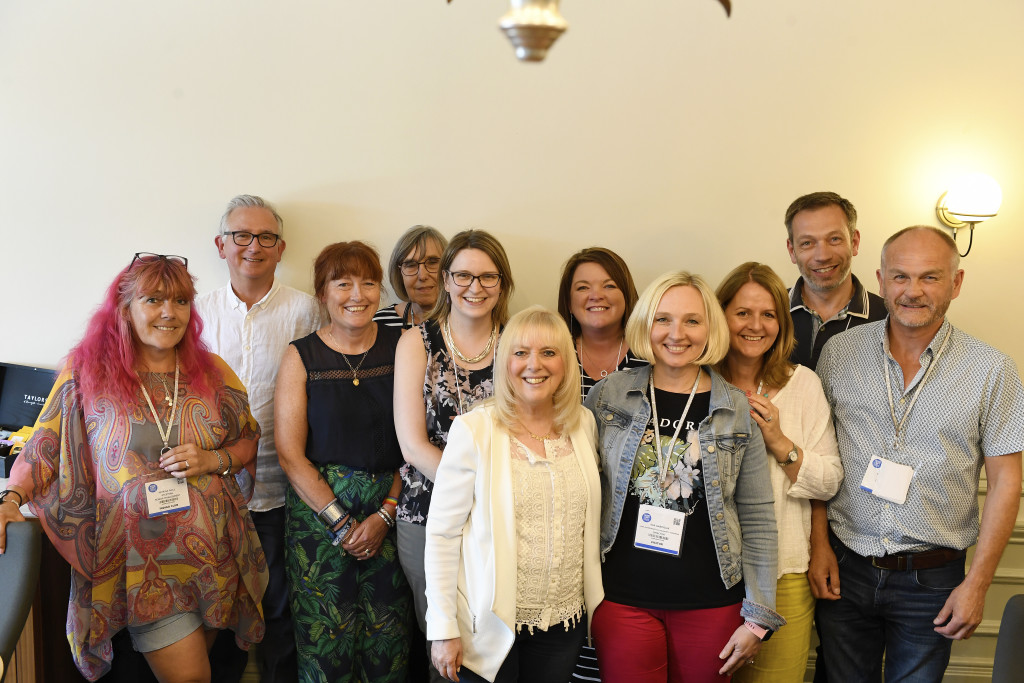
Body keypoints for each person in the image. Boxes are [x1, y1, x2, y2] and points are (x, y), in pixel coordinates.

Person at [0, 253, 266, 682]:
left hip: (215, 556)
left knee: (211, 667)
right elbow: (45, 444)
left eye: (181, 301)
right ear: (125, 308)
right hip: (144, 566)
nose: (169, 312)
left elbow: (247, 439)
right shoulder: (87, 373)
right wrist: (10, 498)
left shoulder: (213, 373)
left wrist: (212, 459)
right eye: (154, 299)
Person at [812, 227, 1024, 682]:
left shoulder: (992, 370)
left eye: (929, 277)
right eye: (900, 277)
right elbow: (819, 458)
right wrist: (818, 548)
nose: (912, 291)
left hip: (933, 579)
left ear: (956, 282)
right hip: (845, 565)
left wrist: (978, 583)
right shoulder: (839, 353)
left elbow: (1007, 482)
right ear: (881, 280)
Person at [584, 271, 784, 682]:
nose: (677, 333)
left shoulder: (734, 407)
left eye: (692, 320)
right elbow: (581, 494)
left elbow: (759, 517)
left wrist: (758, 618)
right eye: (663, 319)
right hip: (621, 599)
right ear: (645, 325)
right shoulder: (608, 395)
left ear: (710, 327)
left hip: (712, 601)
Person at [424, 307, 603, 683]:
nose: (533, 365)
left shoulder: (583, 424)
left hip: (563, 624)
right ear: (504, 361)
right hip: (487, 626)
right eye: (520, 353)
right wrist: (442, 626)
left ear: (567, 364)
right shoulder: (475, 430)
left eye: (549, 353)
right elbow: (442, 535)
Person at [274, 241, 412, 683]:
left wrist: (384, 516)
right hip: (317, 522)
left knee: (387, 645)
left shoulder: (405, 347)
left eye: (369, 282)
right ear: (322, 293)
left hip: (394, 512)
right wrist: (341, 524)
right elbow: (290, 455)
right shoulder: (301, 356)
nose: (358, 294)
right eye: (343, 282)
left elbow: (417, 442)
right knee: (324, 646)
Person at [197, 194, 319, 683]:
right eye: (241, 236)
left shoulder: (305, 312)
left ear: (281, 247)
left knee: (280, 614)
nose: (253, 246)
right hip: (210, 496)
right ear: (221, 245)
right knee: (218, 616)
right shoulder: (194, 314)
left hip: (281, 492)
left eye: (265, 237)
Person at [394, 229, 515, 682]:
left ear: (502, 284)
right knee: (445, 647)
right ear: (446, 280)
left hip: (503, 517)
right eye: (463, 275)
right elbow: (411, 444)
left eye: (488, 277)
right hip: (427, 515)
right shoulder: (417, 342)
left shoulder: (517, 343)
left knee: (496, 644)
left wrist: (491, 496)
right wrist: (475, 487)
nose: (474, 287)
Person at [714, 262, 842, 683]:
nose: (755, 325)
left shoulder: (802, 384)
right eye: (742, 313)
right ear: (721, 317)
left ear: (782, 323)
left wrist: (779, 442)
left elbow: (829, 479)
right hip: (707, 572)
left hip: (784, 569)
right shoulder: (697, 381)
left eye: (768, 314)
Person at [784, 191, 886, 370]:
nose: (822, 256)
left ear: (854, 242)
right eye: (807, 243)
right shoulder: (768, 312)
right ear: (792, 250)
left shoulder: (889, 318)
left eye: (834, 239)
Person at [557, 246, 647, 402]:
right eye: (583, 287)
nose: (596, 296)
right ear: (569, 303)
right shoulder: (553, 354)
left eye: (609, 286)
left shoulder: (650, 354)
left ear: (626, 295)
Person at [375, 225, 449, 329]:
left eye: (432, 262)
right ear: (399, 273)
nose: (422, 276)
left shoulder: (468, 321)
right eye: (411, 265)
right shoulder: (379, 325)